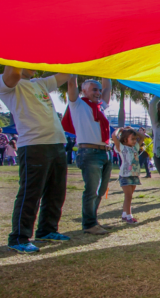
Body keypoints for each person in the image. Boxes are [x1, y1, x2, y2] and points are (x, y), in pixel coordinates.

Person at [0, 66, 70, 253]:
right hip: (34, 145)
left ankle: (47, 230)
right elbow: (13, 74)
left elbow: (67, 73)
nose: (36, 64)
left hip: (57, 143)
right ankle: (18, 237)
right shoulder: (3, 82)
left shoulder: (40, 83)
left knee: (56, 192)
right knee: (30, 193)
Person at [63, 76, 114, 235]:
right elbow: (71, 83)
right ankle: (89, 224)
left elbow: (108, 88)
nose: (98, 92)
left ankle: (94, 221)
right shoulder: (77, 104)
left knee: (101, 190)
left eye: (99, 90)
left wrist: (104, 68)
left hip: (105, 152)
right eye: (94, 89)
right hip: (90, 152)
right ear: (83, 90)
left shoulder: (100, 107)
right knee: (92, 190)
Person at [111, 127, 146, 224]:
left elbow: (143, 137)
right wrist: (120, 130)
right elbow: (114, 136)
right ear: (125, 139)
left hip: (134, 175)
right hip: (125, 175)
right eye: (132, 139)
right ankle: (129, 216)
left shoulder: (135, 147)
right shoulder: (121, 147)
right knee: (128, 196)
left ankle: (124, 214)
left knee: (129, 196)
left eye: (135, 139)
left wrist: (133, 130)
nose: (135, 141)